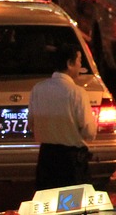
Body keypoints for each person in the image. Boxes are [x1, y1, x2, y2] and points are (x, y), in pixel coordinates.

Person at [29, 44, 96, 190]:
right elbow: (89, 131)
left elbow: (31, 123)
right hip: (71, 159)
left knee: (47, 201)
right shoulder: (77, 93)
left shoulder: (38, 89)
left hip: (46, 156)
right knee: (74, 205)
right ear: (69, 63)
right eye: (78, 60)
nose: (80, 65)